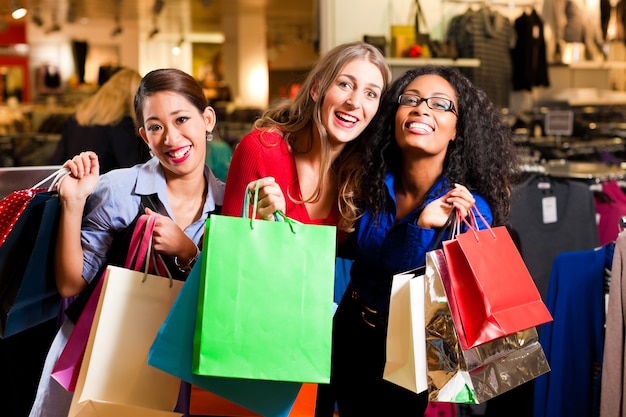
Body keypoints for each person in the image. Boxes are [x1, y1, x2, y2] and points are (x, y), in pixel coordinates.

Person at [28, 68, 281, 417]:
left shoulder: (230, 204)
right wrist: (73, 204)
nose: (171, 138)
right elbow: (71, 283)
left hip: (178, 371)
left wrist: (189, 253)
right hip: (103, 357)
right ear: (144, 135)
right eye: (156, 126)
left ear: (207, 119)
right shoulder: (119, 190)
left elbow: (233, 304)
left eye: (181, 119)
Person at [327, 66, 520, 416]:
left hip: (412, 348)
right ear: (394, 116)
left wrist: (420, 226)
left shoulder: (468, 210)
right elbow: (353, 250)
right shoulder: (366, 183)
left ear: (456, 131)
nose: (421, 108)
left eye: (440, 104)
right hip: (349, 329)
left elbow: (413, 289)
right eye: (411, 100)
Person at [221, 41, 391, 235]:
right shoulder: (260, 149)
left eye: (371, 93)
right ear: (317, 89)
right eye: (345, 84)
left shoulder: (364, 174)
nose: (354, 102)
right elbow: (231, 245)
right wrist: (268, 226)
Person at [49, 67, 150, 174]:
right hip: (103, 187)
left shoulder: (77, 117)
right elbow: (131, 170)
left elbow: (57, 160)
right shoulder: (123, 124)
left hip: (74, 184)